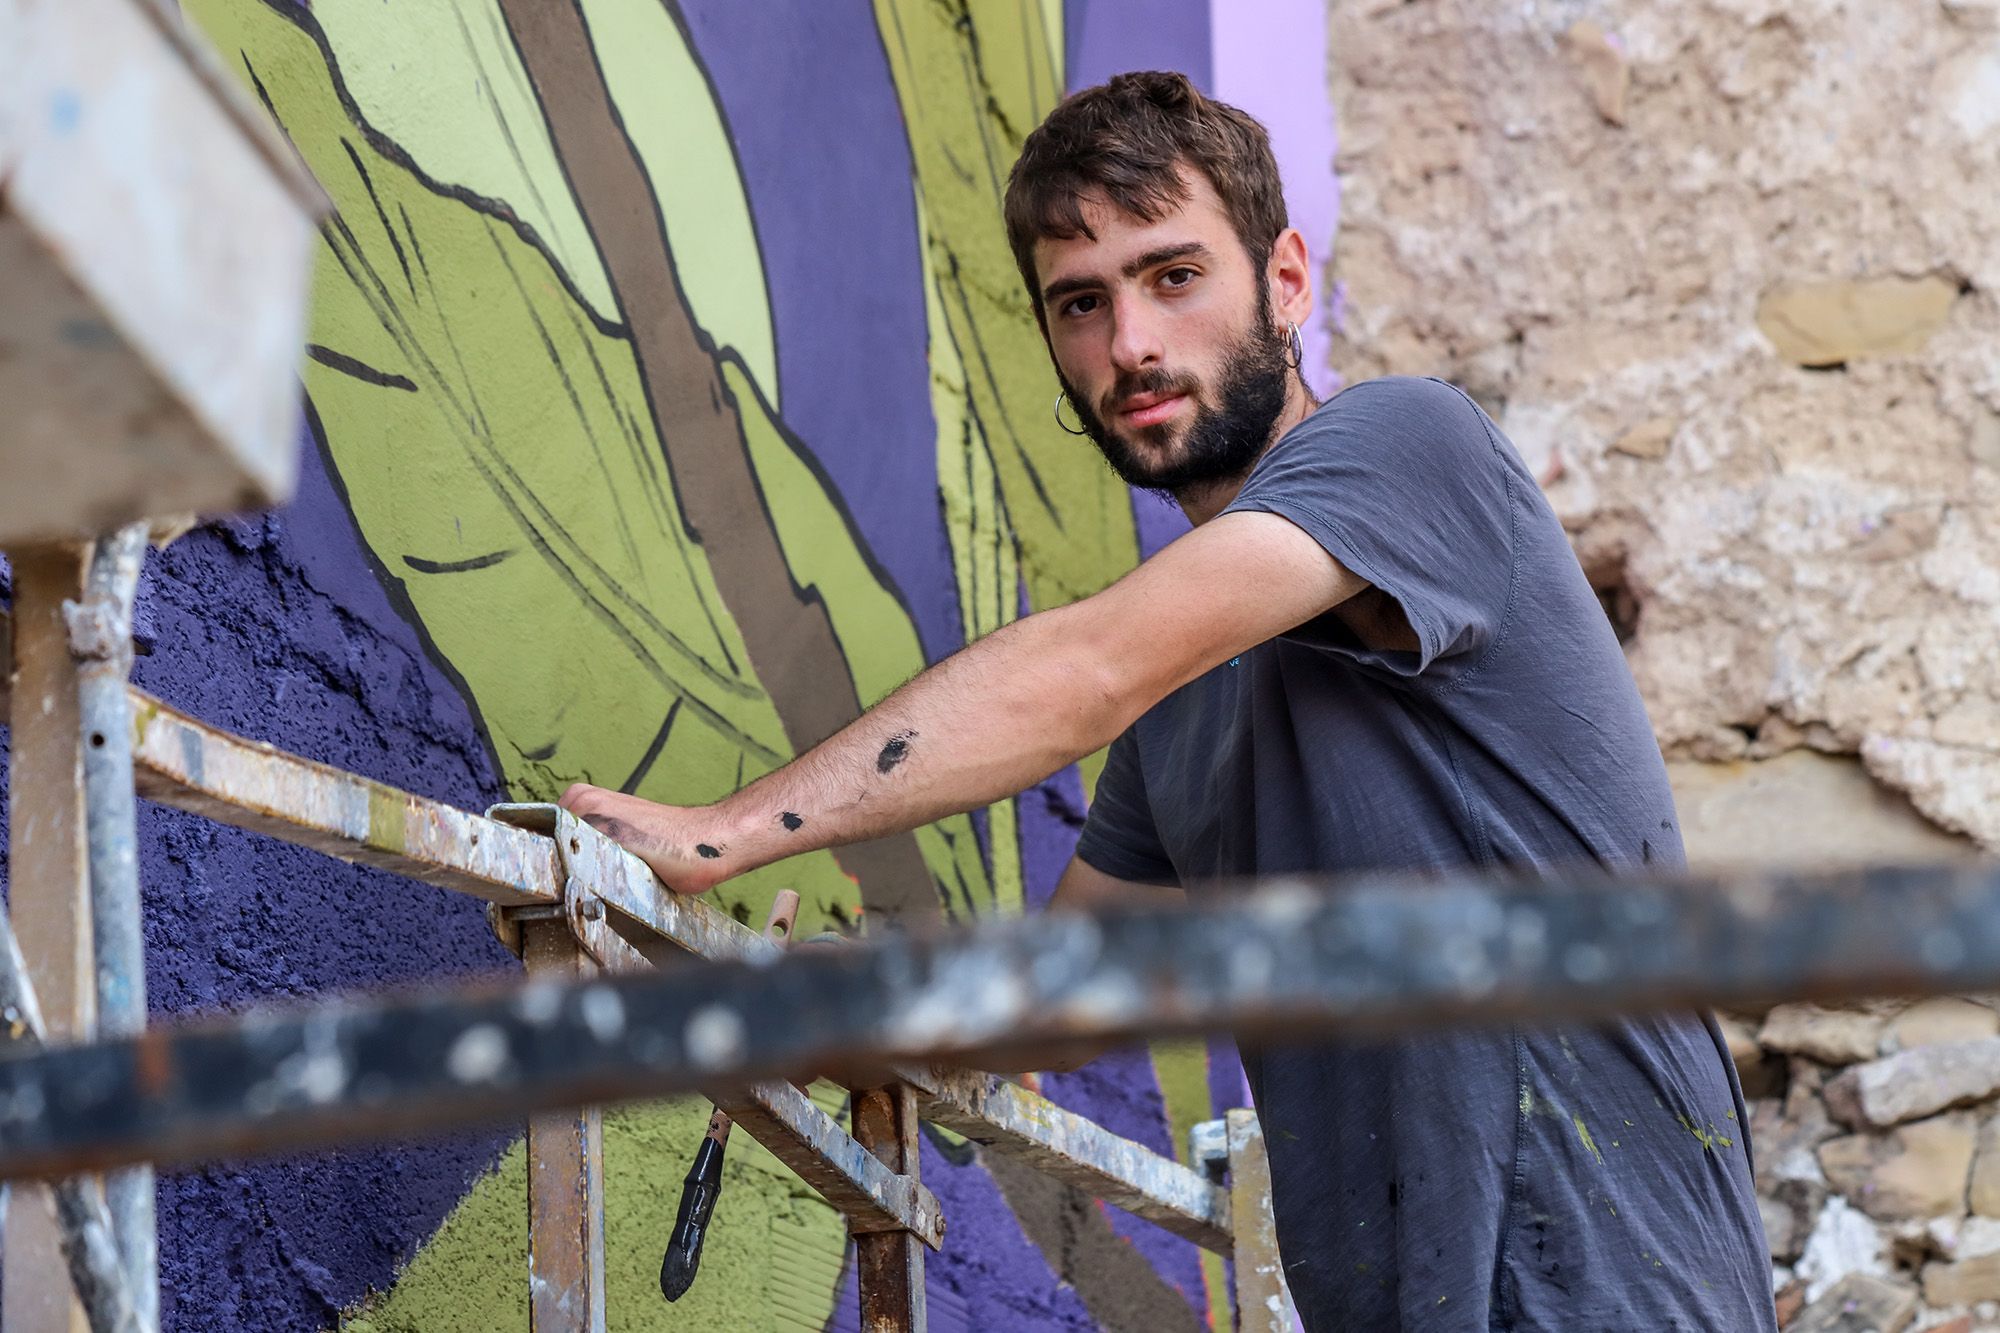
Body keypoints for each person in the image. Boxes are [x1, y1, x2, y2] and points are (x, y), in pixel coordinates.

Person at [559, 71, 1775, 1331]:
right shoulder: (1186, 695)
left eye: (1173, 275)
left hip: (1610, 1292)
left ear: (1286, 282)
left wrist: (718, 839)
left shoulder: (1412, 449)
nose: (1130, 343)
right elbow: (1060, 1007)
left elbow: (1086, 670)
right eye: (1080, 303)